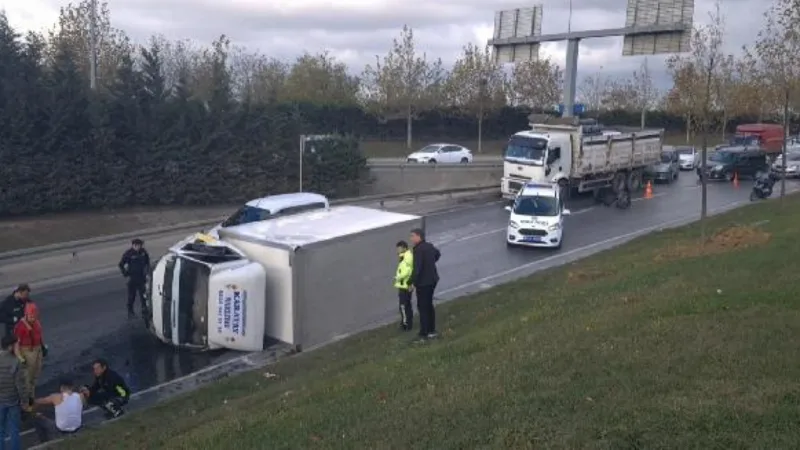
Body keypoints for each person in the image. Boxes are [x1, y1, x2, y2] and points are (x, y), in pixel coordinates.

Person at [409, 228, 441, 342]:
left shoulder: (418, 250)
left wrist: (412, 282)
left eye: (413, 236)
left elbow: (417, 269)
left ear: (419, 236)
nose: (411, 238)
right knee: (429, 305)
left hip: (423, 282)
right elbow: (437, 254)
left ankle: (424, 332)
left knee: (422, 307)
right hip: (433, 279)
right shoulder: (429, 246)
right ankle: (432, 330)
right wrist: (430, 262)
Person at [31, 377, 83, 443]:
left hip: (60, 430)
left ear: (61, 387)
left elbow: (38, 401)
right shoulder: (80, 396)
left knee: (37, 418)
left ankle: (44, 442)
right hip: (77, 428)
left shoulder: (55, 397)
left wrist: (29, 400)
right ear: (72, 387)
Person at [13, 302, 44, 407]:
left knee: (35, 376)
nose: (33, 318)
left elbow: (40, 336)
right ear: (26, 315)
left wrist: (43, 348)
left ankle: (31, 398)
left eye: (35, 316)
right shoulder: (20, 327)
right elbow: (16, 344)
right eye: (31, 316)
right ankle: (25, 403)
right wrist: (20, 358)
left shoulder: (37, 323)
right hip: (27, 352)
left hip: (37, 350)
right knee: (26, 379)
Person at [0, 335, 25, 450]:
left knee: (1, 429)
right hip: (13, 400)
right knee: (14, 429)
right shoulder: (16, 361)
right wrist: (24, 400)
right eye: (16, 345)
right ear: (11, 347)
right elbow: (19, 384)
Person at [118, 238, 151, 318]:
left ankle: (144, 310)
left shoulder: (143, 252)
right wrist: (125, 273)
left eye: (140, 245)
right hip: (133, 278)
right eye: (137, 245)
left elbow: (147, 262)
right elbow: (121, 264)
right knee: (131, 296)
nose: (139, 247)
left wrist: (147, 272)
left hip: (142, 278)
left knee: (144, 296)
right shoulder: (129, 253)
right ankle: (130, 311)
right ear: (134, 245)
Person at [394, 241, 414, 331]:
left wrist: (398, 277)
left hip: (405, 285)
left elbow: (407, 271)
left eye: (399, 248)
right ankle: (408, 322)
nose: (397, 250)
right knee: (407, 305)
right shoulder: (405, 256)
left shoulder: (407, 257)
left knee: (403, 306)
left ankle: (406, 324)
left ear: (404, 248)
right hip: (406, 285)